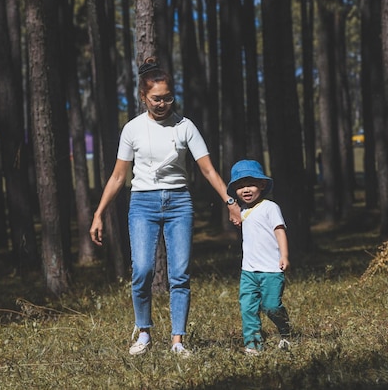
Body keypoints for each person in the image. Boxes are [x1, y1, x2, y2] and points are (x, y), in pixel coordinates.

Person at [90, 58, 241, 357]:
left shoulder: (185, 127)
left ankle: (177, 340)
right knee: (143, 269)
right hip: (143, 203)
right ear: (143, 97)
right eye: (156, 98)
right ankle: (143, 332)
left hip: (179, 204)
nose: (162, 104)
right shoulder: (132, 129)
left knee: (180, 274)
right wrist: (98, 213)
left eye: (168, 97)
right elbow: (119, 176)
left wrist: (231, 202)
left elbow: (209, 170)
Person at [227, 159, 292, 355]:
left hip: (272, 269)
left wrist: (285, 256)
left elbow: (279, 231)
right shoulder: (242, 210)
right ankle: (253, 344)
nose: (245, 190)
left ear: (262, 185)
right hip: (248, 271)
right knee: (247, 307)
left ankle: (285, 330)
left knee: (271, 306)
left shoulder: (270, 207)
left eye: (250, 184)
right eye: (239, 186)